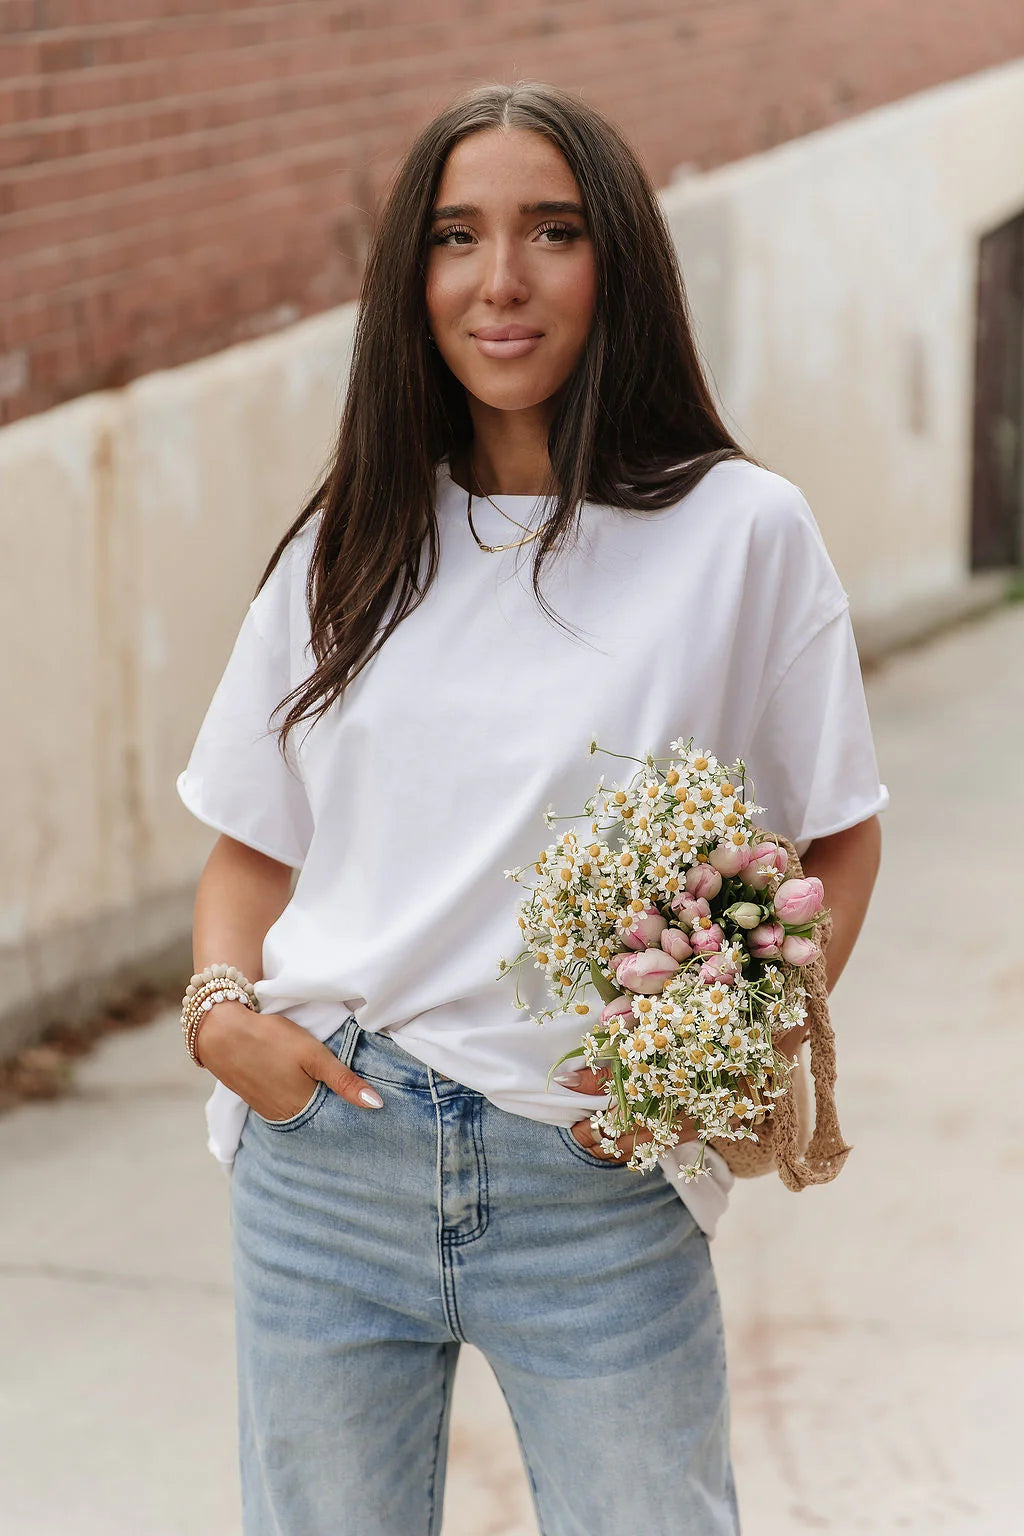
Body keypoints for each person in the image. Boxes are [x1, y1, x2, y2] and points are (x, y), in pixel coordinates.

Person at [176, 80, 886, 1536]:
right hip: (330, 1156)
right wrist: (222, 1019)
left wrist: (709, 1071)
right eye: (458, 237)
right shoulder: (350, 539)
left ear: (615, 260)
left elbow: (839, 833)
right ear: (409, 278)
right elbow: (252, 845)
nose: (502, 281)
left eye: (552, 232)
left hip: (592, 1173)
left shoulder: (741, 532)